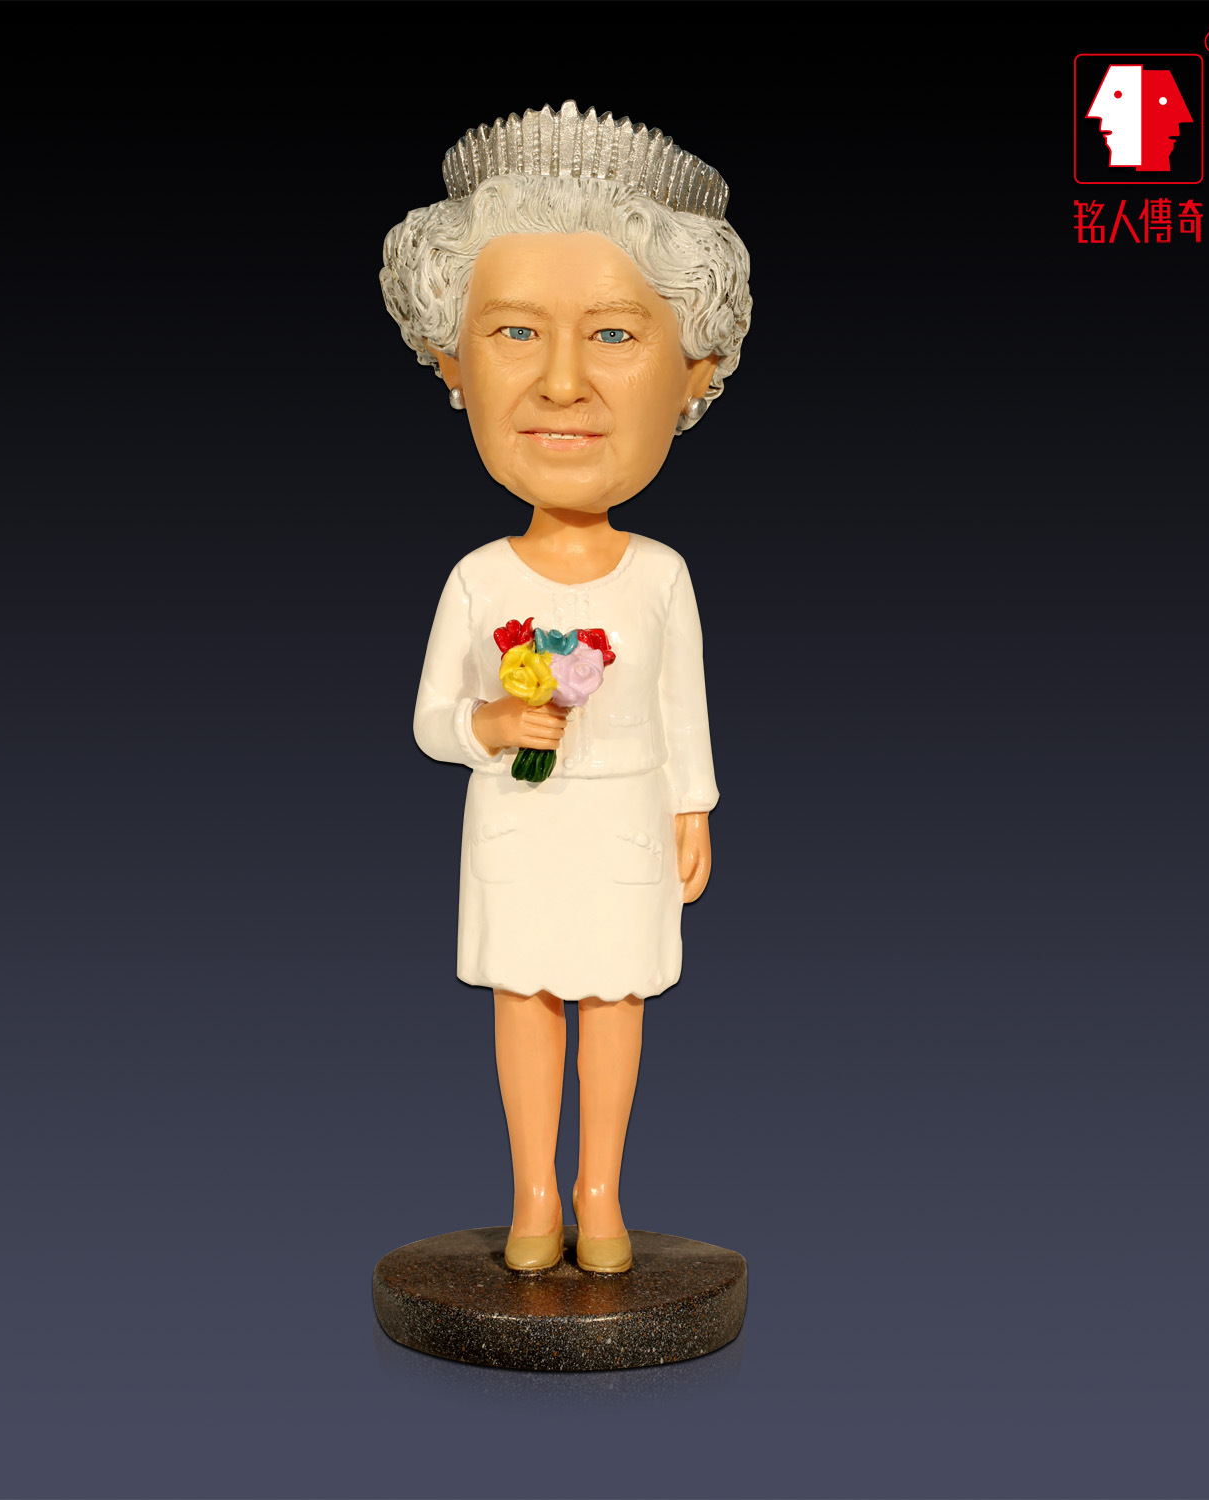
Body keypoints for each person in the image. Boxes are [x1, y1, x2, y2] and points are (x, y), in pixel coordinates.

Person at [380, 102, 752, 1274]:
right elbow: (432, 718)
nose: (560, 384)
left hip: (626, 818)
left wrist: (694, 803)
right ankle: (533, 1195)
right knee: (524, 1000)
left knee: (617, 1002)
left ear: (695, 372)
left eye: (613, 335)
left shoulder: (661, 575)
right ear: (452, 363)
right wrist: (488, 721)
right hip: (520, 822)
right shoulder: (480, 579)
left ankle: (602, 1191)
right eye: (514, 333)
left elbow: (685, 704)